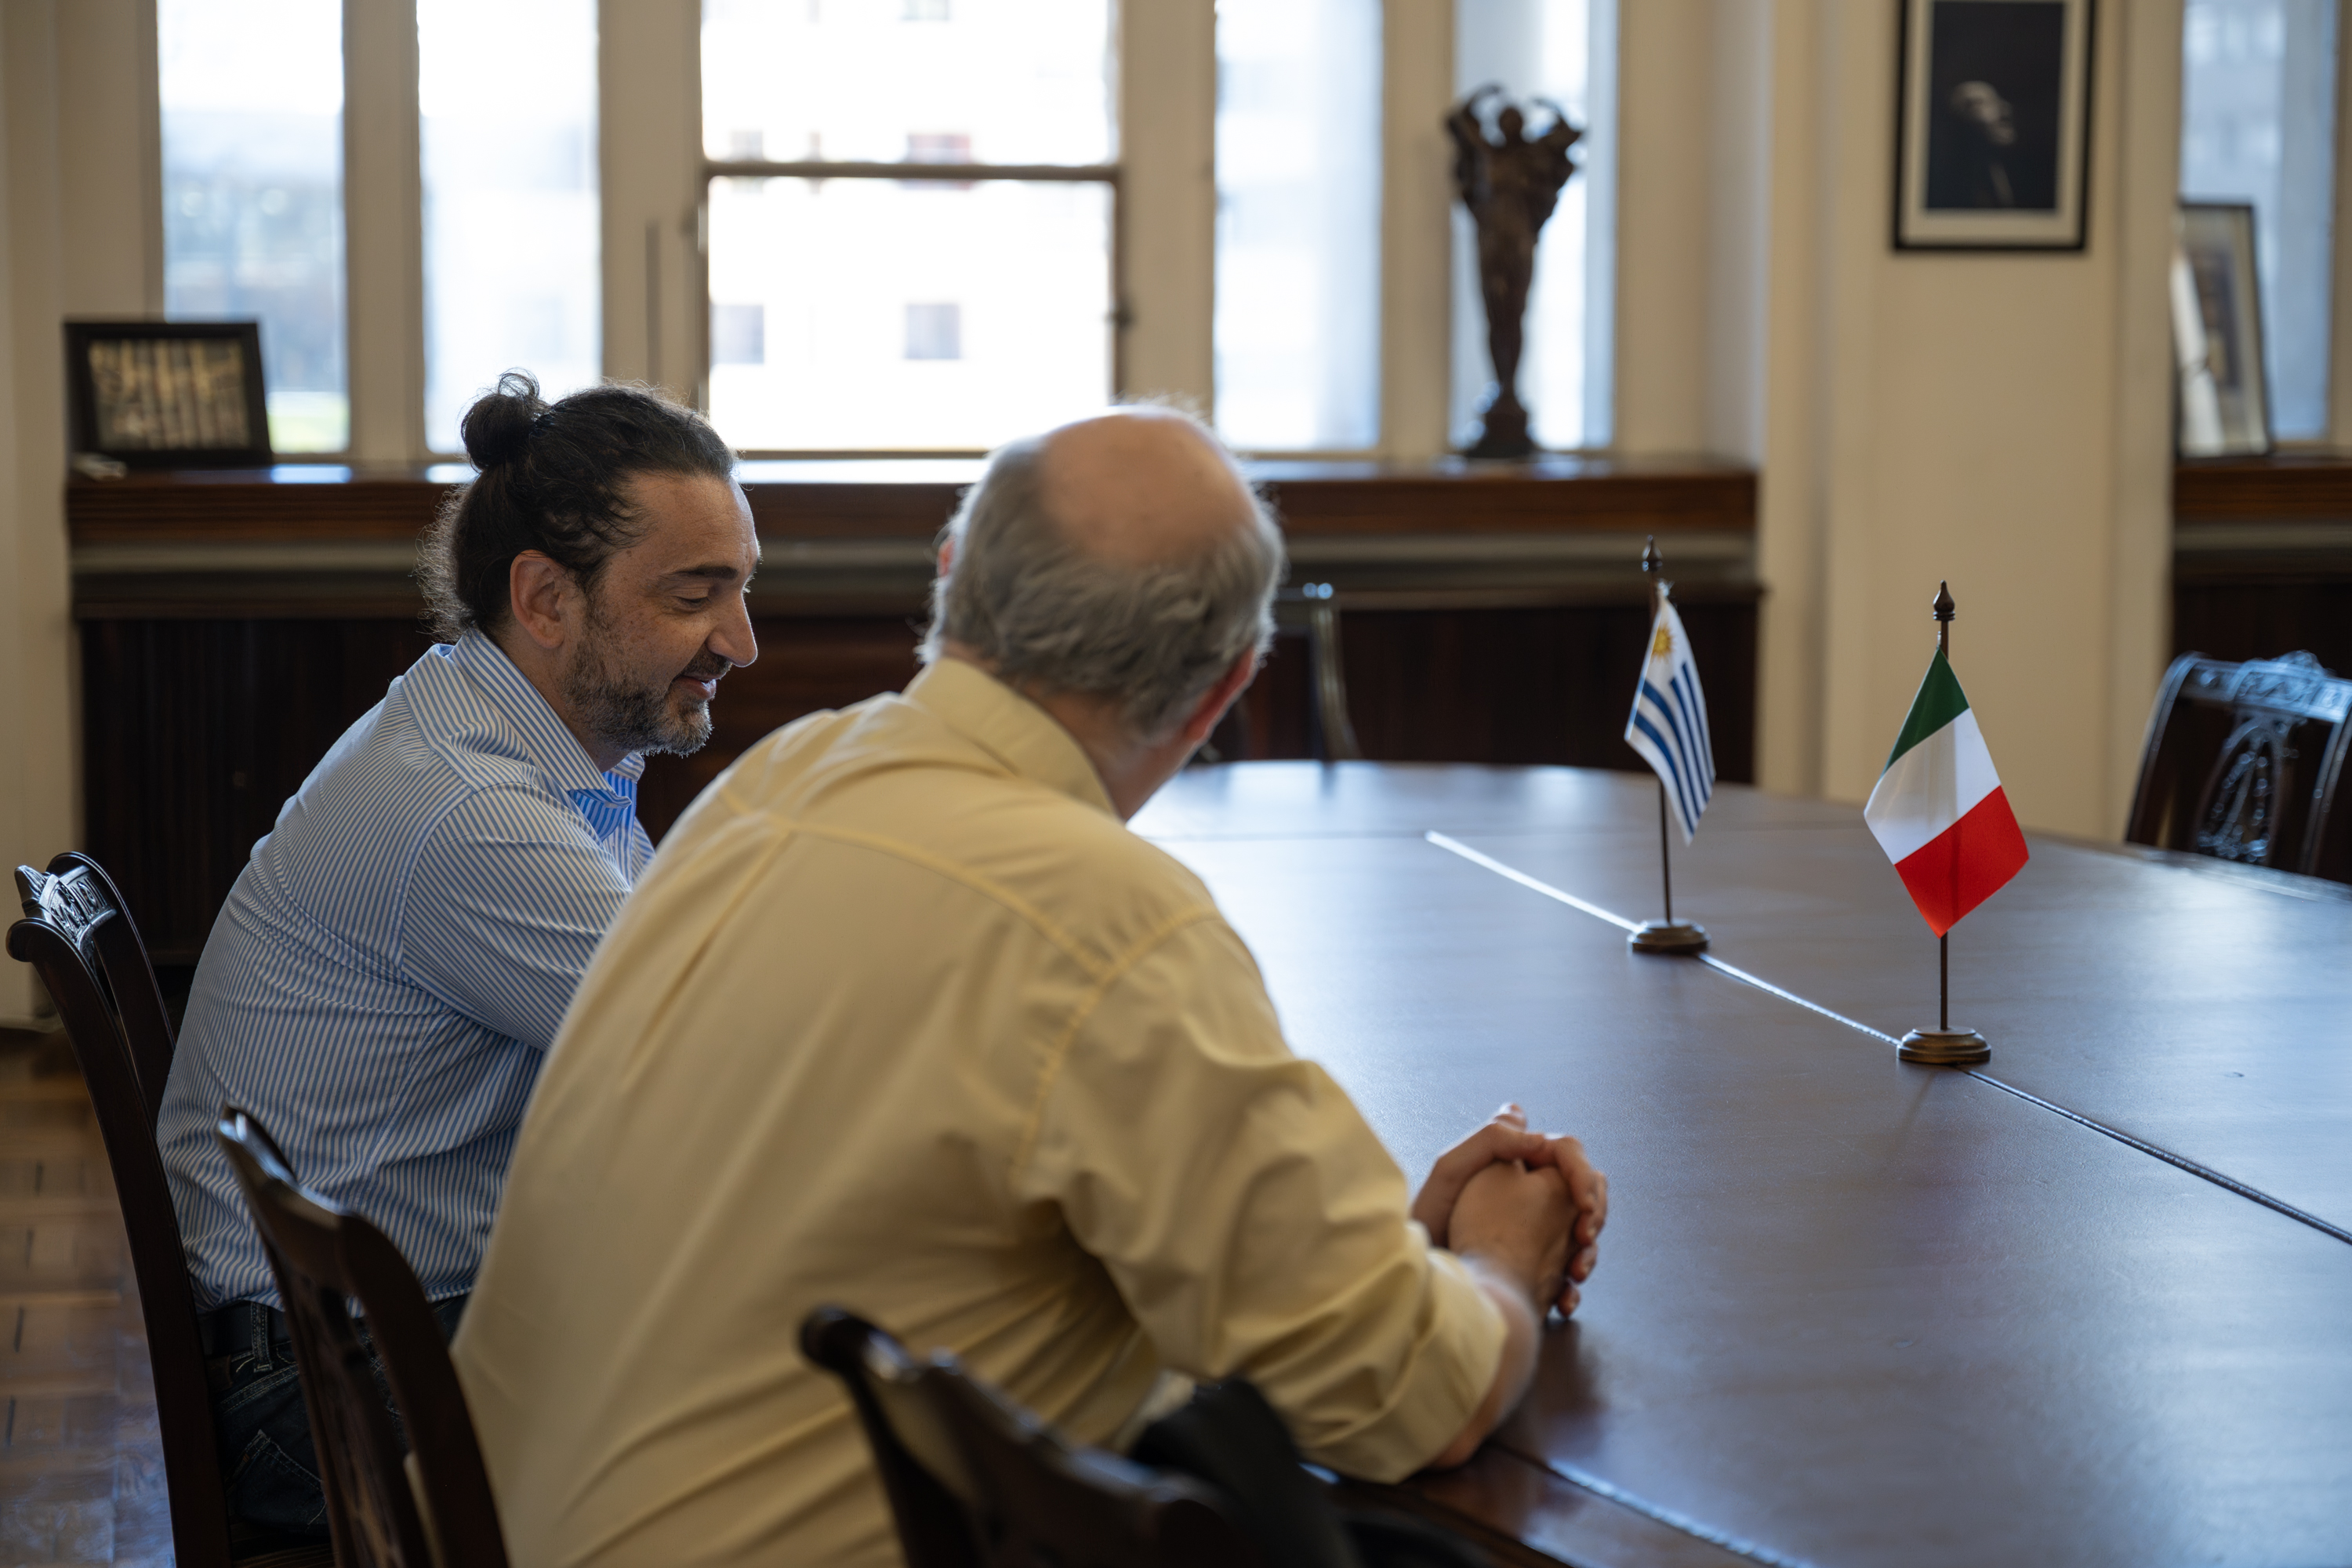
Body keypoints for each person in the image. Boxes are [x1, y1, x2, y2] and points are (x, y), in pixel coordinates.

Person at [450, 405, 1607, 1567]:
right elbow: (1412, 1398)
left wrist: (1358, 1258)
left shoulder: (778, 780)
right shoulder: (1106, 921)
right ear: (1223, 691)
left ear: (952, 577)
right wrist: (1503, 1258)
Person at [153, 372, 758, 1544]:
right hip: (322, 1387)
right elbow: (724, 1062)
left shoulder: (509, 736)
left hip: (345, 1326)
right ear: (545, 598)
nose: (740, 640)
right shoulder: (471, 809)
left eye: (742, 587)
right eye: (696, 594)